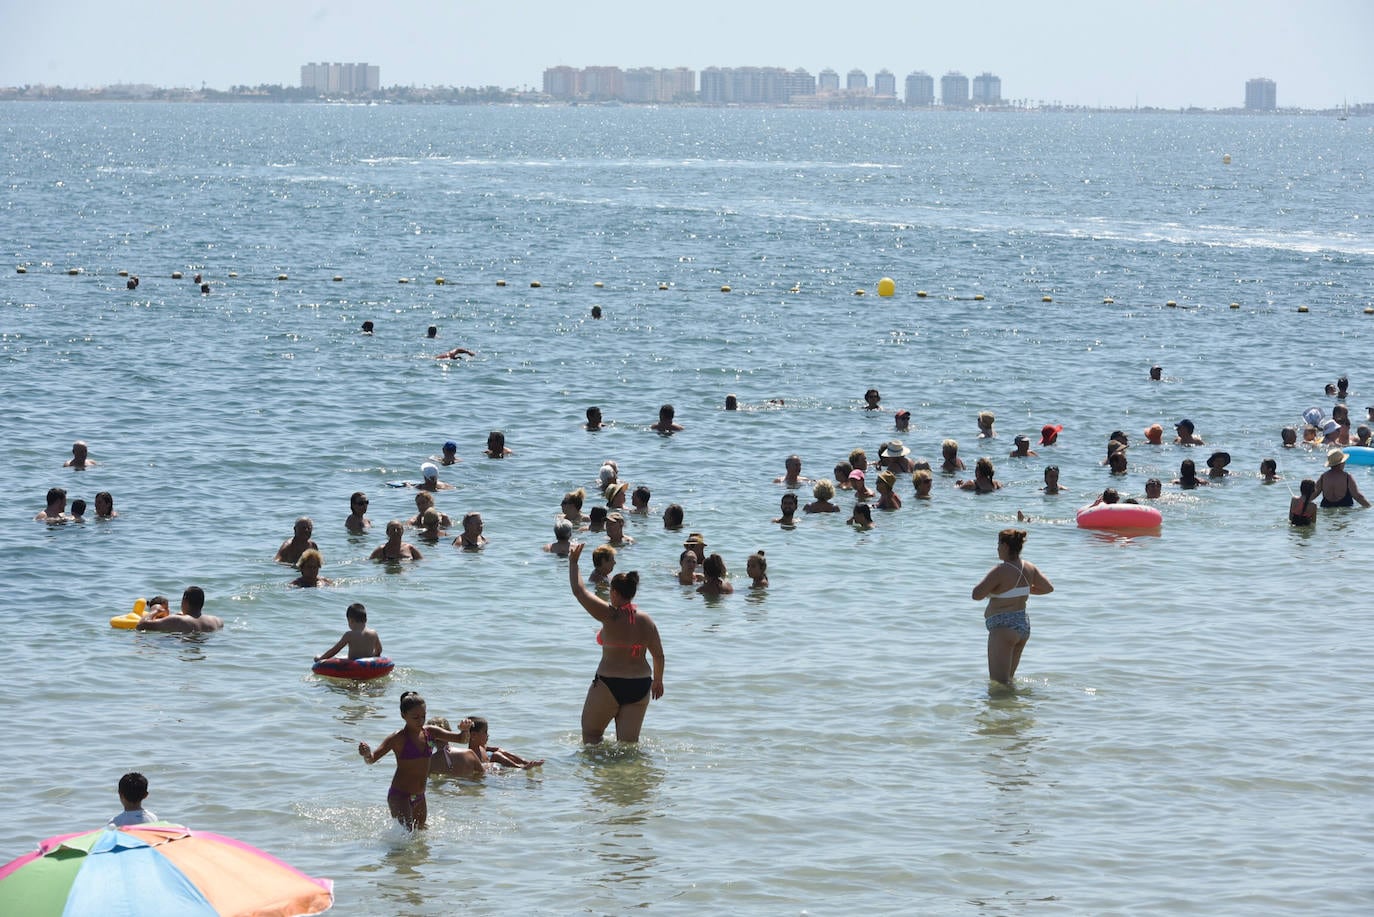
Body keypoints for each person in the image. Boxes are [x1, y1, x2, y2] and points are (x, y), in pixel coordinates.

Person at [568, 543, 664, 744]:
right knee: (628, 746)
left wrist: (574, 562)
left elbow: (579, 591)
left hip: (609, 684)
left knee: (592, 736)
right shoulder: (647, 621)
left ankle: (599, 774)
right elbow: (658, 655)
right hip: (640, 686)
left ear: (615, 593)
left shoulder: (609, 615)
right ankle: (627, 775)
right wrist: (658, 681)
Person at [358, 692, 472, 830]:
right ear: (403, 715)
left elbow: (461, 739)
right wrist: (366, 754)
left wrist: (465, 730)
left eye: (423, 716)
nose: (420, 721)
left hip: (420, 796)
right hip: (400, 796)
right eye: (415, 717)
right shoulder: (397, 738)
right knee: (406, 838)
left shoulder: (430, 733)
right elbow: (372, 759)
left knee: (420, 839)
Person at [971, 528, 1054, 687]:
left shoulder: (1001, 570)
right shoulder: (1029, 567)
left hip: (1003, 628)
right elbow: (1048, 588)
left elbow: (976, 594)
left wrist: (995, 589)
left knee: (999, 683)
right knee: (1008, 680)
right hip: (1022, 625)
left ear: (1006, 546)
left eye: (998, 544)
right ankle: (1016, 709)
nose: (997, 548)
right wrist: (1022, 590)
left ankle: (1005, 709)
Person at [136, 586, 222, 633]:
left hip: (185, 649)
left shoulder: (177, 620)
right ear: (202, 602)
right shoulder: (217, 621)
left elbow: (141, 625)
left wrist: (155, 610)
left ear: (185, 601)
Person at [316, 603, 383, 662]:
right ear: (366, 620)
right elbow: (379, 650)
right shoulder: (373, 633)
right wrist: (373, 658)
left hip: (353, 668)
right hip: (369, 668)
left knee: (320, 658)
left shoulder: (349, 635)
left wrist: (321, 659)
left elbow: (334, 650)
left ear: (350, 620)